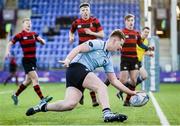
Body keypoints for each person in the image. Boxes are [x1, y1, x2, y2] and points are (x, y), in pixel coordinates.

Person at [26, 29, 137, 122]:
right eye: (120, 44)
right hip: (76, 67)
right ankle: (107, 113)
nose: (121, 48)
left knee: (69, 104)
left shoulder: (108, 59)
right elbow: (79, 48)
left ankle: (43, 106)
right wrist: (68, 59)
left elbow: (114, 81)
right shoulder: (98, 44)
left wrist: (131, 92)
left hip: (76, 73)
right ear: (114, 40)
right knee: (101, 87)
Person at [5, 18, 52, 105]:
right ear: (23, 25)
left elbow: (42, 41)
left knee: (28, 81)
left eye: (30, 23)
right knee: (35, 78)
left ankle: (15, 95)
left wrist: (42, 41)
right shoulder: (20, 35)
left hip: (33, 60)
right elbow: (10, 43)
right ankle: (42, 99)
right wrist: (7, 51)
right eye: (27, 23)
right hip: (26, 60)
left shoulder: (33, 34)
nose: (28, 24)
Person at [69, 2, 104, 107]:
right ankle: (93, 100)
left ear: (89, 11)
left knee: (88, 74)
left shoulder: (95, 21)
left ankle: (82, 94)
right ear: (80, 12)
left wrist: (92, 33)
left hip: (93, 52)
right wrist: (71, 37)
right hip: (81, 52)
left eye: (86, 9)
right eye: (83, 10)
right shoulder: (76, 22)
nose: (85, 12)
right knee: (87, 74)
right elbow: (71, 31)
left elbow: (102, 35)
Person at [116, 26, 154, 100]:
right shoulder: (135, 38)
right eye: (145, 32)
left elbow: (142, 51)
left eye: (148, 32)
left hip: (138, 61)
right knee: (131, 80)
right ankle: (124, 91)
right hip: (134, 60)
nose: (146, 33)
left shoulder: (146, 41)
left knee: (144, 76)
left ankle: (124, 90)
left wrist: (148, 53)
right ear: (141, 32)